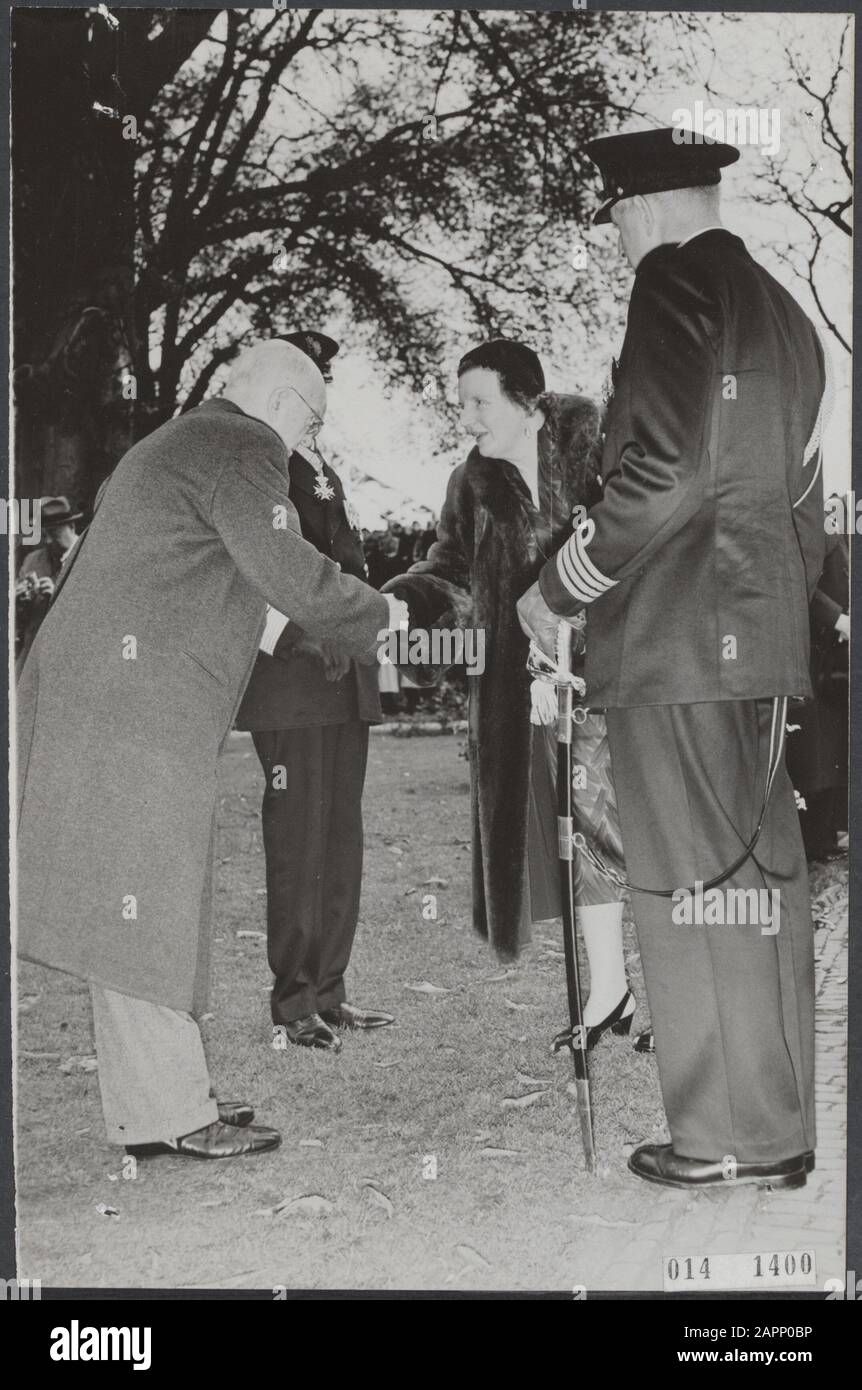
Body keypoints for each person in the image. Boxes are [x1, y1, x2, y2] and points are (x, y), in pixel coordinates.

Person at [518, 128, 829, 1191]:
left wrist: (557, 587)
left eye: (612, 221)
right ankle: (774, 1127)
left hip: (675, 641)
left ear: (640, 208)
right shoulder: (779, 308)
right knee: (756, 882)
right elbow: (797, 496)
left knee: (686, 890)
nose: (614, 242)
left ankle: (712, 1137)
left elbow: (659, 473)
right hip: (758, 645)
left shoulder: (667, 285)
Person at [17, 339, 406, 1162]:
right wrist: (388, 618)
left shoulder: (177, 444)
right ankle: (170, 1113)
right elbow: (287, 568)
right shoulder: (244, 444)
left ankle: (160, 1102)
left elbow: (227, 584)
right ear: (288, 405)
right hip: (131, 707)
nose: (305, 448)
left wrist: (309, 633)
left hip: (103, 696)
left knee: (141, 896)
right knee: (146, 896)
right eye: (313, 424)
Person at [385, 339, 637, 1043]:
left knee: (631, 830)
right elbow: (450, 570)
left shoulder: (595, 439)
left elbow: (636, 532)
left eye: (479, 402)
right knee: (579, 828)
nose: (467, 419)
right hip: (534, 690)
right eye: (461, 403)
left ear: (528, 402)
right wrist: (407, 604)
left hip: (623, 668)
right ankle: (611, 988)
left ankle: (646, 988)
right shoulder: (472, 483)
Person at [235, 330, 393, 1051]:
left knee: (339, 838)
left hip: (341, 676)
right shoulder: (249, 461)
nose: (321, 391)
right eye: (310, 375)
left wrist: (358, 630)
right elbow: (249, 568)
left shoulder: (318, 464)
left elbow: (343, 560)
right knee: (298, 840)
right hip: (292, 681)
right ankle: (294, 1000)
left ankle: (330, 989)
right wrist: (299, 635)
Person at [786, 527, 849, 861]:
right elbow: (799, 578)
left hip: (838, 663)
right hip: (817, 656)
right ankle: (815, 842)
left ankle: (827, 836)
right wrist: (840, 620)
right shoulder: (828, 521)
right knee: (817, 757)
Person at [15, 495, 81, 668]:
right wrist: (20, 602)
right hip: (31, 658)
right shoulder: (32, 561)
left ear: (72, 527)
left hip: (73, 659)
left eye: (54, 533)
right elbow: (18, 623)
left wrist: (58, 596)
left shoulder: (89, 558)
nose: (48, 541)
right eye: (44, 534)